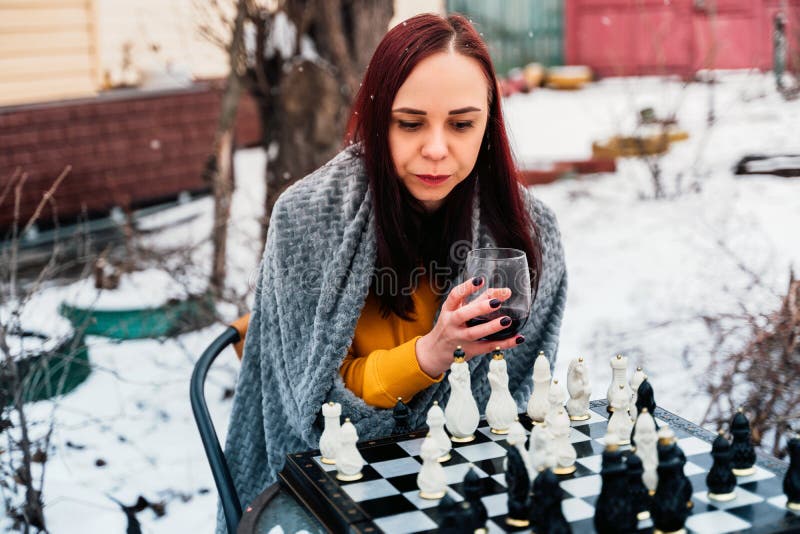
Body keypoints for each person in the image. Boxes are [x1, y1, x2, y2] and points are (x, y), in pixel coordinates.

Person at [219, 12, 567, 528]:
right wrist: (431, 353)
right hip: (328, 493)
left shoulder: (527, 233)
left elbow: (511, 403)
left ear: (488, 125)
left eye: (462, 124)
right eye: (410, 123)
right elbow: (315, 416)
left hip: (468, 489)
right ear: (377, 120)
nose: (434, 148)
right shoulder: (307, 219)